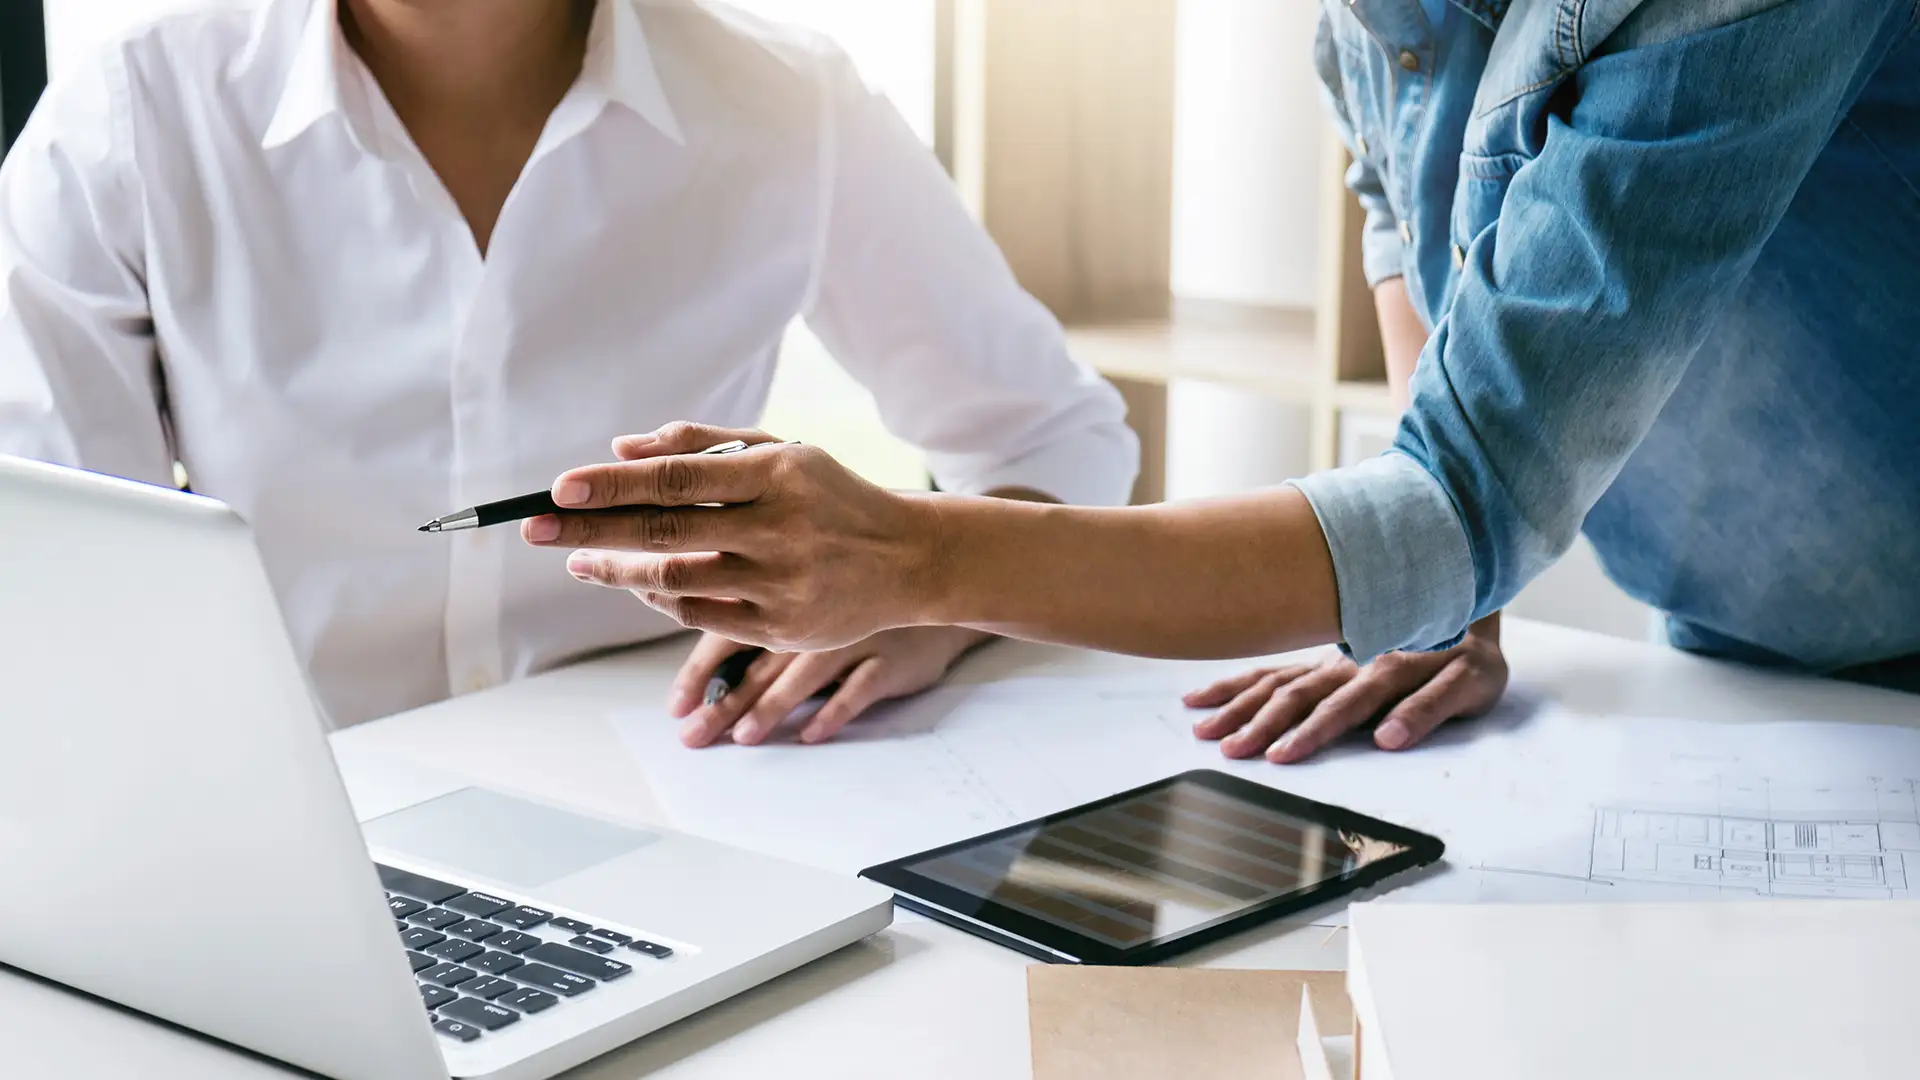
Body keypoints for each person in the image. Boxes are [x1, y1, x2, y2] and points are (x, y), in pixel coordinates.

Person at [524, 0, 1920, 761]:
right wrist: (1454, 594)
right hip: (1769, 665)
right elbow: (1398, 197)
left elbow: (1462, 492)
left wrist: (918, 556)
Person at [0, 0, 1138, 734]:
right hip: (299, 806)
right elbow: (71, 582)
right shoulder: (132, 117)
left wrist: (935, 595)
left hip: (683, 770)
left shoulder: (787, 99)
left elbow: (1054, 437)